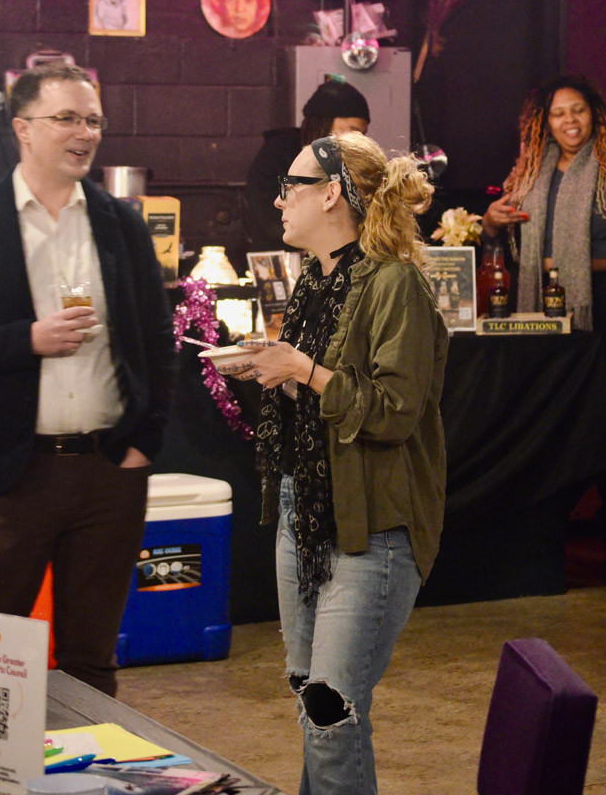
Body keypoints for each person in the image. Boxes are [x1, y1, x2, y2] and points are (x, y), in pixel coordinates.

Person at [0, 64, 176, 696]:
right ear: (22, 130)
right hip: (12, 476)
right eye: (66, 118)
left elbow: (156, 340)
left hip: (108, 473)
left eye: (93, 120)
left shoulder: (120, 223)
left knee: (92, 657)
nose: (83, 133)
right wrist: (26, 340)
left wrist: (145, 441)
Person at [219, 131, 448, 795]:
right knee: (317, 706)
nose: (279, 199)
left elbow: (396, 411)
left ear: (330, 194)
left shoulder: (393, 283)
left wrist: (304, 370)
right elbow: (320, 392)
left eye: (291, 186)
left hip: (372, 526)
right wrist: (275, 369)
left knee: (330, 711)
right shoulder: (317, 283)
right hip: (306, 516)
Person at [481, 73, 606, 575]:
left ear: (594, 113)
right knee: (553, 419)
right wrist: (491, 221)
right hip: (543, 310)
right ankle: (541, 551)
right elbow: (499, 231)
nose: (569, 121)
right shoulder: (530, 171)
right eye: (558, 113)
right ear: (543, 123)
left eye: (578, 110)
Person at [246, 79, 370, 251]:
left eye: (362, 134)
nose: (358, 140)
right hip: (283, 256)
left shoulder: (348, 161)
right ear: (326, 120)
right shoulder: (280, 150)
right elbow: (267, 214)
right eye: (353, 130)